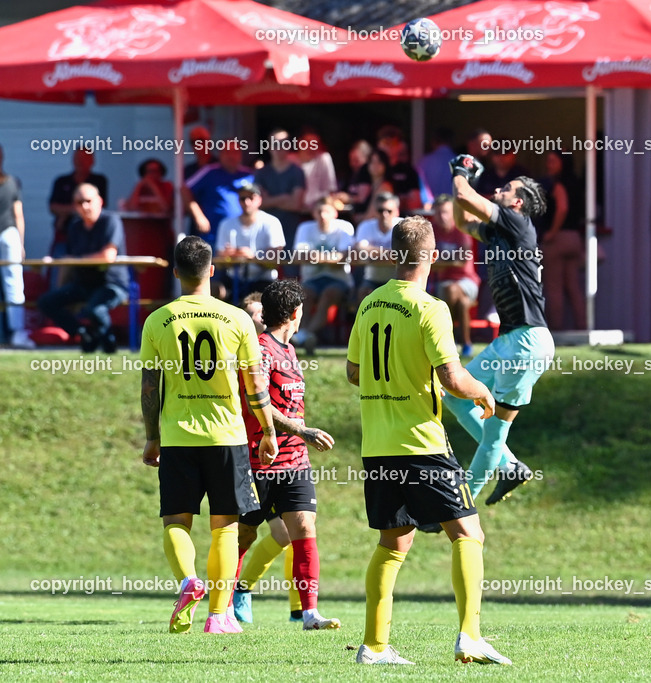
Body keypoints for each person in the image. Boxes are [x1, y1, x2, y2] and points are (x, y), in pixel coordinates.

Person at [346, 215, 511, 666]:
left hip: (378, 446)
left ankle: (374, 646)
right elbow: (453, 377)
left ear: (393, 254)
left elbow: (353, 372)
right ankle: (470, 636)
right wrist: (482, 391)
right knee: (469, 533)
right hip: (421, 444)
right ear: (433, 256)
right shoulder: (430, 308)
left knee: (392, 544)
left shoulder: (368, 304)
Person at [139, 235, 277, 634]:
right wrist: (268, 431)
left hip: (179, 437)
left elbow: (151, 386)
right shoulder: (236, 319)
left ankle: (187, 581)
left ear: (176, 272)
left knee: (176, 521)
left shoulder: (157, 320)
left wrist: (153, 437)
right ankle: (219, 615)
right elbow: (255, 387)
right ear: (212, 271)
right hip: (227, 438)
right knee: (226, 527)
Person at [444, 155, 554, 505]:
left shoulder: (517, 222)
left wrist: (462, 173)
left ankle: (462, 506)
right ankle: (510, 466)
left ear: (517, 202)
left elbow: (464, 199)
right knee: (456, 397)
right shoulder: (502, 227)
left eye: (505, 189)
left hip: (527, 342)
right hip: (508, 340)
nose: (498, 191)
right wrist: (462, 182)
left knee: (494, 433)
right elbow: (462, 218)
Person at [231, 279, 339, 631]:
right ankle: (223, 605)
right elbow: (254, 400)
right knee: (243, 536)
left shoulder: (289, 351)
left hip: (294, 462)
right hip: (259, 459)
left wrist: (298, 437)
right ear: (296, 313)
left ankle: (309, 613)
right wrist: (300, 430)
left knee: (304, 527)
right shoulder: (261, 349)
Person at [38, 183, 128, 353]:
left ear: (100, 201)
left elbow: (107, 257)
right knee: (47, 302)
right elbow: (68, 264)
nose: (85, 206)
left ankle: (108, 343)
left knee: (95, 310)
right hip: (83, 284)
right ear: (74, 206)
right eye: (79, 203)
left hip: (111, 284)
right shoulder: (75, 227)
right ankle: (83, 333)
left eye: (88, 201)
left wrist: (77, 259)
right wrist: (62, 290)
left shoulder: (111, 221)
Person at [290, 198, 355, 354]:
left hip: (339, 280)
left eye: (326, 211)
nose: (322, 215)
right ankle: (306, 335)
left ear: (335, 213)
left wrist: (315, 256)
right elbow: (298, 256)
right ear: (313, 213)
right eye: (319, 211)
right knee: (304, 295)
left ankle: (303, 335)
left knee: (328, 294)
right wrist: (330, 257)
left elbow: (343, 257)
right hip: (312, 279)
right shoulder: (305, 228)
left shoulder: (344, 227)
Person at [537, 150, 585, 331]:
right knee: (573, 287)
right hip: (574, 238)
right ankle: (582, 327)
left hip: (558, 239)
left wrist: (552, 232)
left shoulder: (558, 184)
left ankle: (556, 330)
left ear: (562, 163)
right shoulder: (577, 184)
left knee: (553, 287)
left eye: (552, 161)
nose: (548, 164)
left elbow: (562, 207)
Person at [214, 181, 285, 298]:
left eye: (251, 197)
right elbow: (219, 260)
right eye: (242, 198)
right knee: (214, 289)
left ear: (259, 200)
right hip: (233, 279)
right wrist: (233, 256)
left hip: (264, 279)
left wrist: (251, 257)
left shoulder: (272, 222)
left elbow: (275, 261)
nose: (246, 202)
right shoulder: (226, 224)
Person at [431, 194, 479, 357]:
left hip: (467, 282)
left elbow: (462, 259)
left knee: (451, 290)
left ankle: (446, 340)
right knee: (463, 303)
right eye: (437, 212)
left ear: (452, 213)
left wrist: (438, 262)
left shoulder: (461, 229)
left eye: (445, 212)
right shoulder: (431, 231)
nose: (441, 216)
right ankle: (466, 343)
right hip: (442, 282)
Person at [184, 140, 254, 247]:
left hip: (243, 235)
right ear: (220, 154)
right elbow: (184, 189)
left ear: (240, 155)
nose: (231, 156)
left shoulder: (249, 175)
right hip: (212, 235)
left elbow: (262, 196)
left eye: (235, 152)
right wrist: (198, 216)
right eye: (227, 151)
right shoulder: (209, 171)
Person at [0, 144, 33, 348]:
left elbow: (18, 214)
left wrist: (20, 243)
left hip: (8, 234)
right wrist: (20, 243)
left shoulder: (12, 182)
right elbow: (18, 214)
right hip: (10, 234)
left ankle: (17, 332)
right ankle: (18, 333)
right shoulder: (12, 182)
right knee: (14, 284)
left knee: (13, 285)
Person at [48, 146, 108, 258]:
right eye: (78, 158)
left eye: (84, 158)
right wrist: (73, 210)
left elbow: (102, 206)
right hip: (64, 235)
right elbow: (53, 207)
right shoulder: (61, 181)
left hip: (91, 237)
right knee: (59, 266)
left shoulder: (99, 181)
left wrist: (66, 213)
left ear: (92, 161)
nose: (84, 207)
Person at [255, 129, 307, 252]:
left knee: (291, 269)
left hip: (290, 232)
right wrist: (284, 198)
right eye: (275, 144)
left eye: (283, 144)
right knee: (264, 269)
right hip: (265, 233)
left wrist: (270, 200)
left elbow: (296, 204)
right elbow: (259, 203)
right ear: (268, 146)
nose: (279, 148)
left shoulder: (297, 172)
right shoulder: (261, 173)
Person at [352, 192, 400, 304]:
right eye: (380, 210)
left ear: (396, 211)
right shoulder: (366, 226)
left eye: (389, 211)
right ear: (374, 211)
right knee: (363, 294)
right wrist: (389, 255)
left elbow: (404, 254)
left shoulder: (403, 225)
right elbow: (359, 250)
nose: (384, 214)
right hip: (372, 279)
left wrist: (373, 254)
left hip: (397, 281)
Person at [293, 130, 338, 211]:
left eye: (315, 143)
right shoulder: (290, 160)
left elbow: (331, 189)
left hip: (318, 210)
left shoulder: (324, 158)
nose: (311, 146)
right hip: (293, 210)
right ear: (299, 143)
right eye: (307, 142)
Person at [351, 148, 395, 224]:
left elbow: (372, 215)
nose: (375, 165)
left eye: (379, 162)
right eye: (372, 162)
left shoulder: (385, 187)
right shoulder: (374, 186)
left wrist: (359, 220)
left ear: (385, 165)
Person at [417, 127, 457, 201]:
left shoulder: (424, 162)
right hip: (452, 208)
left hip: (430, 209)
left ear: (434, 141)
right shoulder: (460, 162)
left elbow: (420, 189)